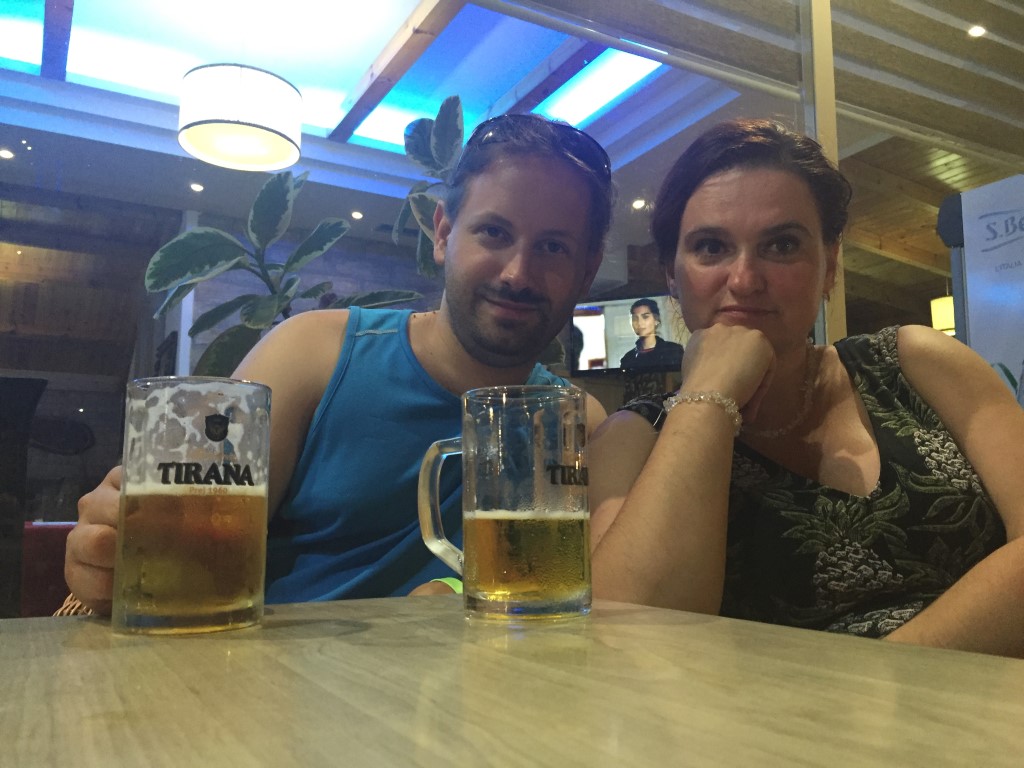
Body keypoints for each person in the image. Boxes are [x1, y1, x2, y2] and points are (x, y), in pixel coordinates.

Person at [66, 113, 615, 613]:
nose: (518, 273)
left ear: (586, 271)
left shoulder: (578, 425)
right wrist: (107, 555)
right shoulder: (311, 354)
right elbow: (177, 542)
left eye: (553, 247)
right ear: (444, 234)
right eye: (494, 232)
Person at [588, 118, 1024, 657]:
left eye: (781, 245)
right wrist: (709, 397)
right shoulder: (633, 437)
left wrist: (883, 680)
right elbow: (629, 640)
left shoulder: (916, 363)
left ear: (830, 266)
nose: (745, 280)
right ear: (672, 277)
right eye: (711, 247)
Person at [618, 298, 683, 370]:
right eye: (635, 318)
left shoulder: (673, 350)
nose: (639, 323)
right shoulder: (627, 359)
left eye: (645, 317)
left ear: (656, 320)